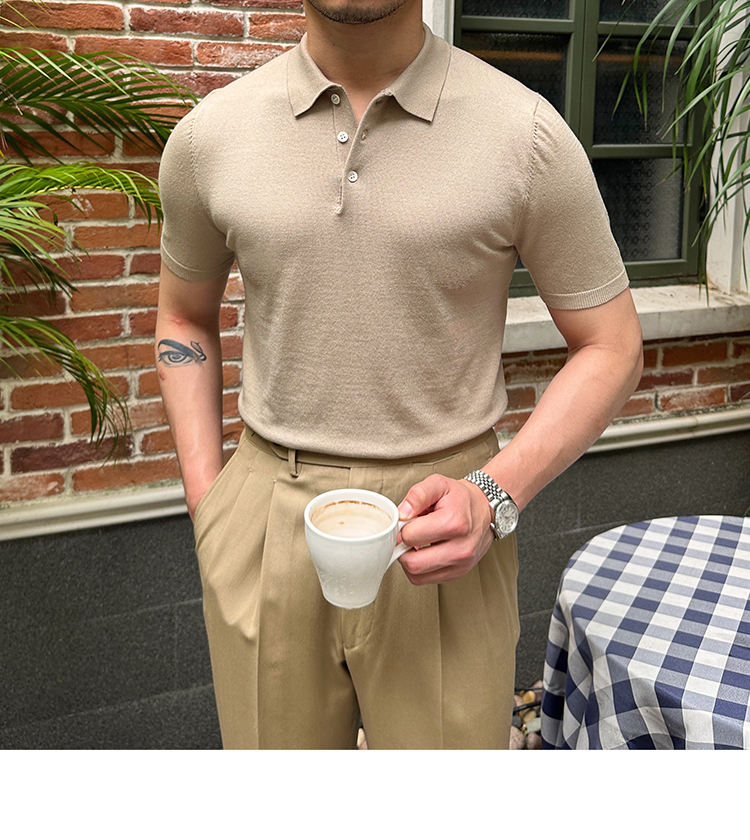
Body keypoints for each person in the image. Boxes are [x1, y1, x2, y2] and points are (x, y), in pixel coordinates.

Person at [155, 0, 643, 749]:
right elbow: (183, 317)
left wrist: (494, 495)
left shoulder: (526, 134)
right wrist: (210, 503)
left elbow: (612, 345)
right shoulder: (210, 137)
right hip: (264, 520)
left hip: (448, 520)